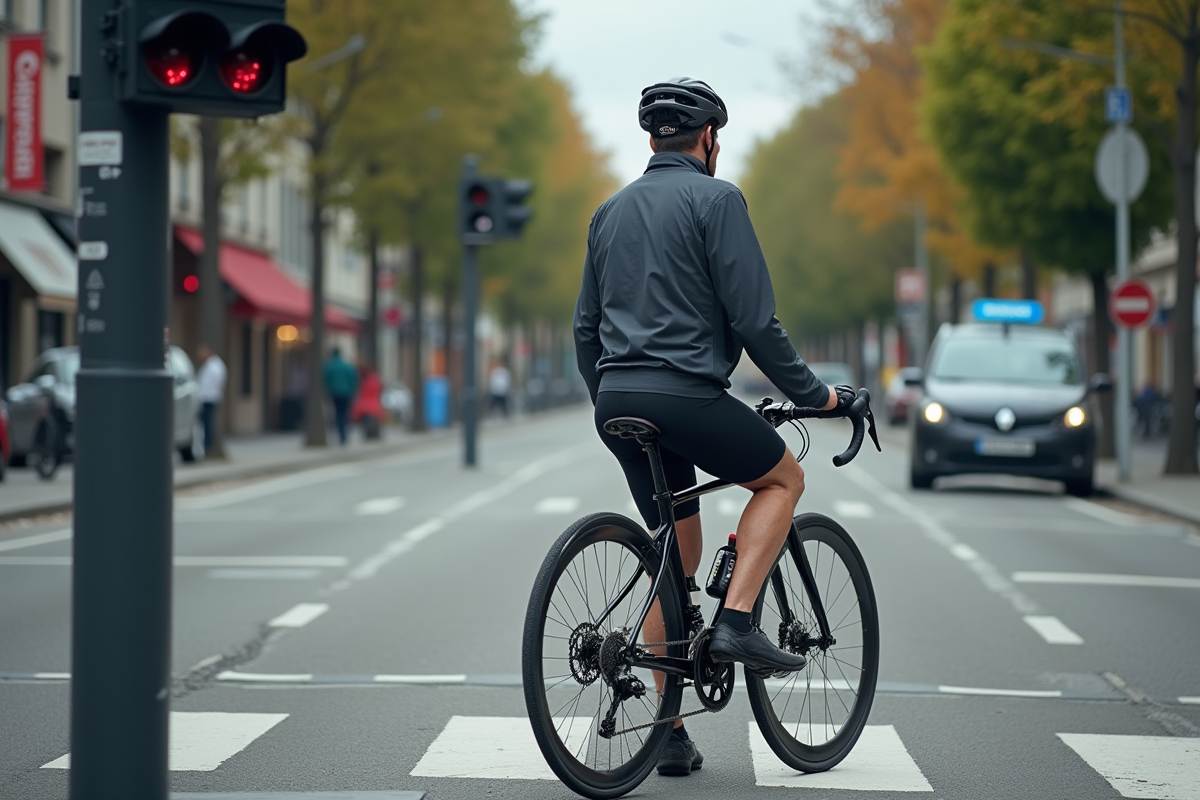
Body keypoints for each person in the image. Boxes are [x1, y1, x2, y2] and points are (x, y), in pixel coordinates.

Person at [573, 77, 845, 777]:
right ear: (709, 140)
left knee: (676, 556)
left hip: (617, 401)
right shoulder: (717, 198)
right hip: (685, 397)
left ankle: (667, 734)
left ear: (652, 139)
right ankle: (738, 622)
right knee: (783, 476)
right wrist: (815, 396)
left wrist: (609, 396)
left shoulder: (609, 210)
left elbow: (584, 328)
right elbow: (756, 319)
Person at [194, 343, 226, 457]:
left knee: (207, 424)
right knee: (204, 424)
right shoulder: (210, 365)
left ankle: (208, 447)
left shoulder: (214, 366)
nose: (200, 355)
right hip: (207, 398)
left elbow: (209, 385)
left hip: (209, 399)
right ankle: (205, 447)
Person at [323, 347, 359, 445]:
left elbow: (325, 379)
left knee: (338, 413)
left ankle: (341, 433)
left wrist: (328, 391)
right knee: (345, 413)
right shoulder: (347, 366)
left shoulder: (329, 366)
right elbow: (354, 379)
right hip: (347, 393)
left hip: (335, 393)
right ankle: (345, 433)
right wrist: (353, 390)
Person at [352, 359, 384, 440]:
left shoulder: (364, 381)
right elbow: (379, 389)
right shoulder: (375, 380)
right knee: (373, 420)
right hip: (373, 403)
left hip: (366, 403)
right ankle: (373, 434)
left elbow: (361, 391)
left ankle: (369, 434)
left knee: (367, 420)